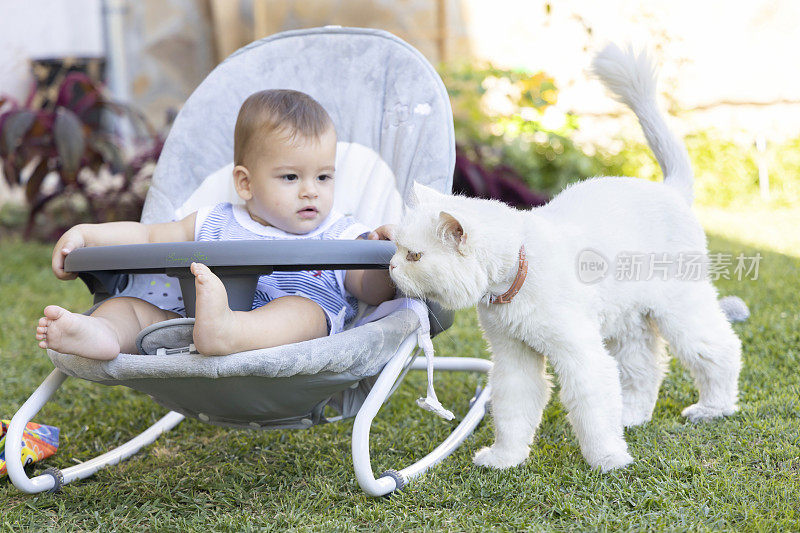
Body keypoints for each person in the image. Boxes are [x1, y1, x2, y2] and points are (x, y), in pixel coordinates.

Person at [36, 89, 395, 360]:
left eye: (323, 177)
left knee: (303, 313)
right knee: (130, 308)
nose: (309, 192)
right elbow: (149, 235)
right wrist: (88, 234)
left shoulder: (340, 233)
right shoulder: (215, 220)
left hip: (284, 336)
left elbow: (371, 290)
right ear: (245, 183)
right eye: (290, 177)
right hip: (190, 324)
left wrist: (384, 256)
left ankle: (230, 331)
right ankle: (102, 332)